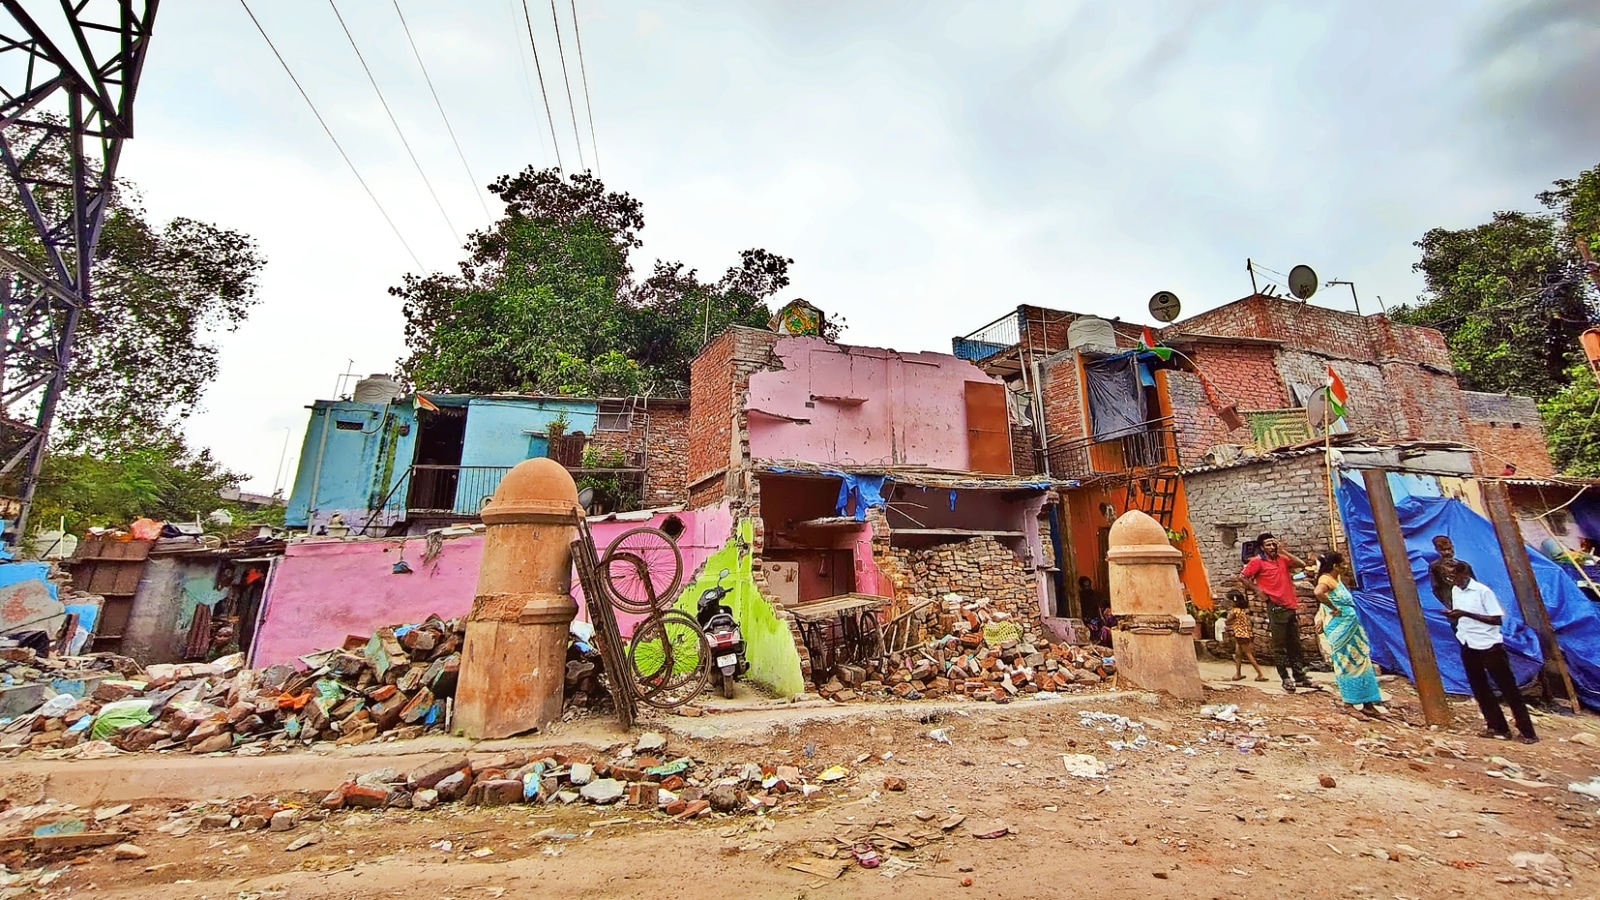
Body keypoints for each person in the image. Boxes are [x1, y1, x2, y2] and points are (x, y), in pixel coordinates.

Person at [1445, 560, 1538, 744]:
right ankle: (1497, 726)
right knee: (1480, 688)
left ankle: (1527, 731)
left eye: (1453, 576)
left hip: (1490, 645)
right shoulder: (1455, 591)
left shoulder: (1483, 592)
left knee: (1508, 688)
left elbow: (1496, 620)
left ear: (1464, 574)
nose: (1451, 580)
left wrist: (1465, 614)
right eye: (1449, 577)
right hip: (1468, 642)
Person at [1239, 532, 1312, 693]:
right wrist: (1257, 590)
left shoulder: (1282, 559)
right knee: (1280, 646)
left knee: (1295, 644)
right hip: (1275, 606)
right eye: (1268, 545)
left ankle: (1299, 676)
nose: (1272, 547)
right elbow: (1243, 577)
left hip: (1290, 605)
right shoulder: (1258, 562)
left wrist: (1283, 551)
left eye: (1273, 544)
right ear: (1262, 548)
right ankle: (1285, 678)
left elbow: (1301, 564)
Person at [1313, 552, 1384, 714]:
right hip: (1340, 628)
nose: (1346, 567)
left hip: (1352, 628)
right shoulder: (1325, 580)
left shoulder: (1336, 579)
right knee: (1346, 664)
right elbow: (1318, 593)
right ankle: (1349, 704)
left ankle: (1368, 703)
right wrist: (1334, 609)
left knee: (1362, 662)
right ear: (1335, 566)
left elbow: (1324, 604)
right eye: (1343, 564)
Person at [1225, 590, 1267, 682]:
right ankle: (1238, 674)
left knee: (1248, 654)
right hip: (1242, 635)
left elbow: (1228, 620)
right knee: (1238, 655)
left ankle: (1260, 674)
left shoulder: (1234, 611)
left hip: (1240, 635)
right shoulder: (1241, 610)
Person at [1428, 536, 1474, 608]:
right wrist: (1448, 603)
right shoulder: (1435, 567)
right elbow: (1436, 589)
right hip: (1452, 604)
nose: (1447, 552)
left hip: (1470, 603)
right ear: (1437, 550)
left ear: (1453, 547)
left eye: (1449, 549)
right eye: (1443, 550)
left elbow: (1474, 585)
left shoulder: (1464, 565)